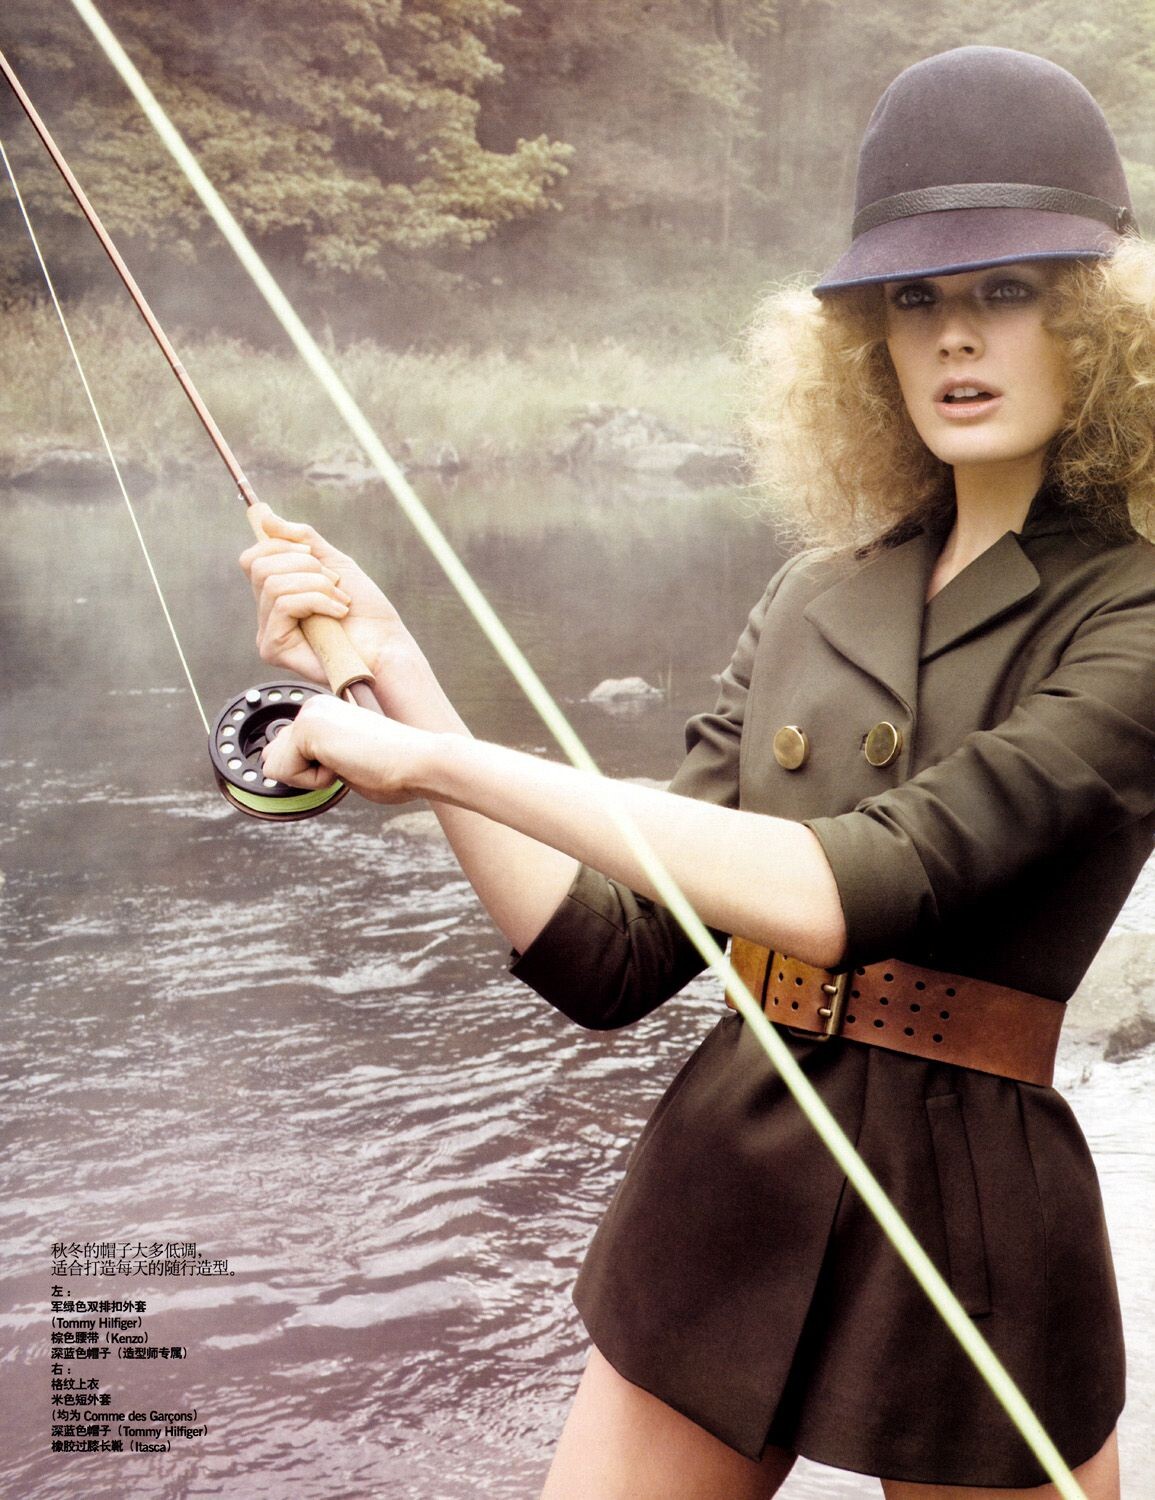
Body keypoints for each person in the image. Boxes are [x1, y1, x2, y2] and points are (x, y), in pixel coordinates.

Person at [241, 46, 1155, 1500]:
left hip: (979, 1229)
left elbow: (860, 884)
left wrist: (434, 761)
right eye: (912, 299)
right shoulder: (810, 595)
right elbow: (611, 956)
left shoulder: (1138, 609)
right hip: (731, 1178)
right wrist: (400, 671)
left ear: (1100, 322)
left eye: (1006, 290)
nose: (953, 339)